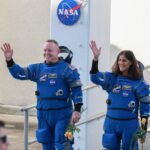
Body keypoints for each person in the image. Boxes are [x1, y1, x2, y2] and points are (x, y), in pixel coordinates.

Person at [1, 40, 83, 150]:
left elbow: (76, 89)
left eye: (50, 50)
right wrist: (9, 60)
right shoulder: (37, 69)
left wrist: (77, 110)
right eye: (45, 50)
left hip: (64, 115)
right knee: (45, 143)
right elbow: (19, 73)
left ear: (58, 51)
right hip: (43, 115)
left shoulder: (68, 69)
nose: (46, 52)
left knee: (64, 143)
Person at [89, 40, 149, 150]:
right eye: (119, 60)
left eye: (124, 60)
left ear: (131, 63)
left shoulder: (139, 83)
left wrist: (143, 130)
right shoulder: (112, 78)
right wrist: (95, 59)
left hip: (129, 125)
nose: (121, 63)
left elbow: (145, 110)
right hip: (111, 123)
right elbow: (95, 77)